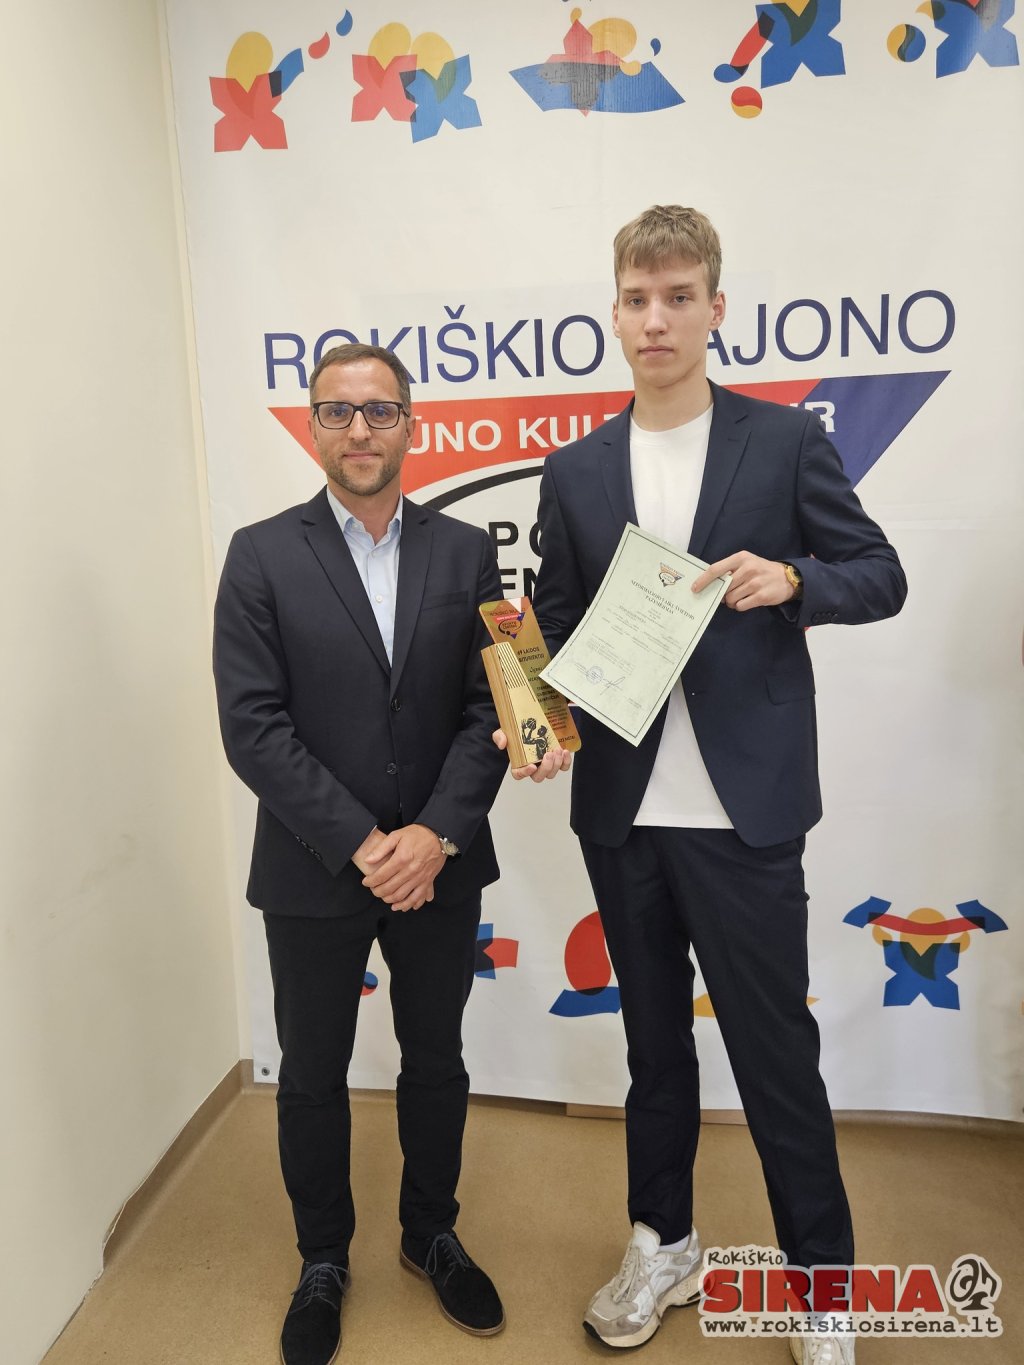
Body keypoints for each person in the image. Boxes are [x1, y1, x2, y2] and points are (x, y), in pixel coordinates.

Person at [504, 205, 907, 1365]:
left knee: (774, 1053)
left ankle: (821, 1286)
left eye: (679, 297)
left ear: (715, 309)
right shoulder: (576, 469)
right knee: (651, 1048)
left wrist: (795, 580)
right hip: (622, 813)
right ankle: (664, 1240)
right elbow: (555, 623)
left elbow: (878, 573)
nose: (657, 319)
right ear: (614, 312)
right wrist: (538, 713)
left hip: (744, 812)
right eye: (638, 299)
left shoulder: (781, 443)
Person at [213, 343, 508, 1365]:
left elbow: (492, 706)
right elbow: (253, 727)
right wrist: (366, 843)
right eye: (338, 412)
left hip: (440, 862)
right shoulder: (260, 553)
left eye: (380, 410)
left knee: (437, 1059)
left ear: (410, 425)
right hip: (312, 866)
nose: (360, 429)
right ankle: (323, 1260)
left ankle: (431, 1233)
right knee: (312, 1073)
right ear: (312, 428)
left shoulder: (465, 552)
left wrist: (435, 833)